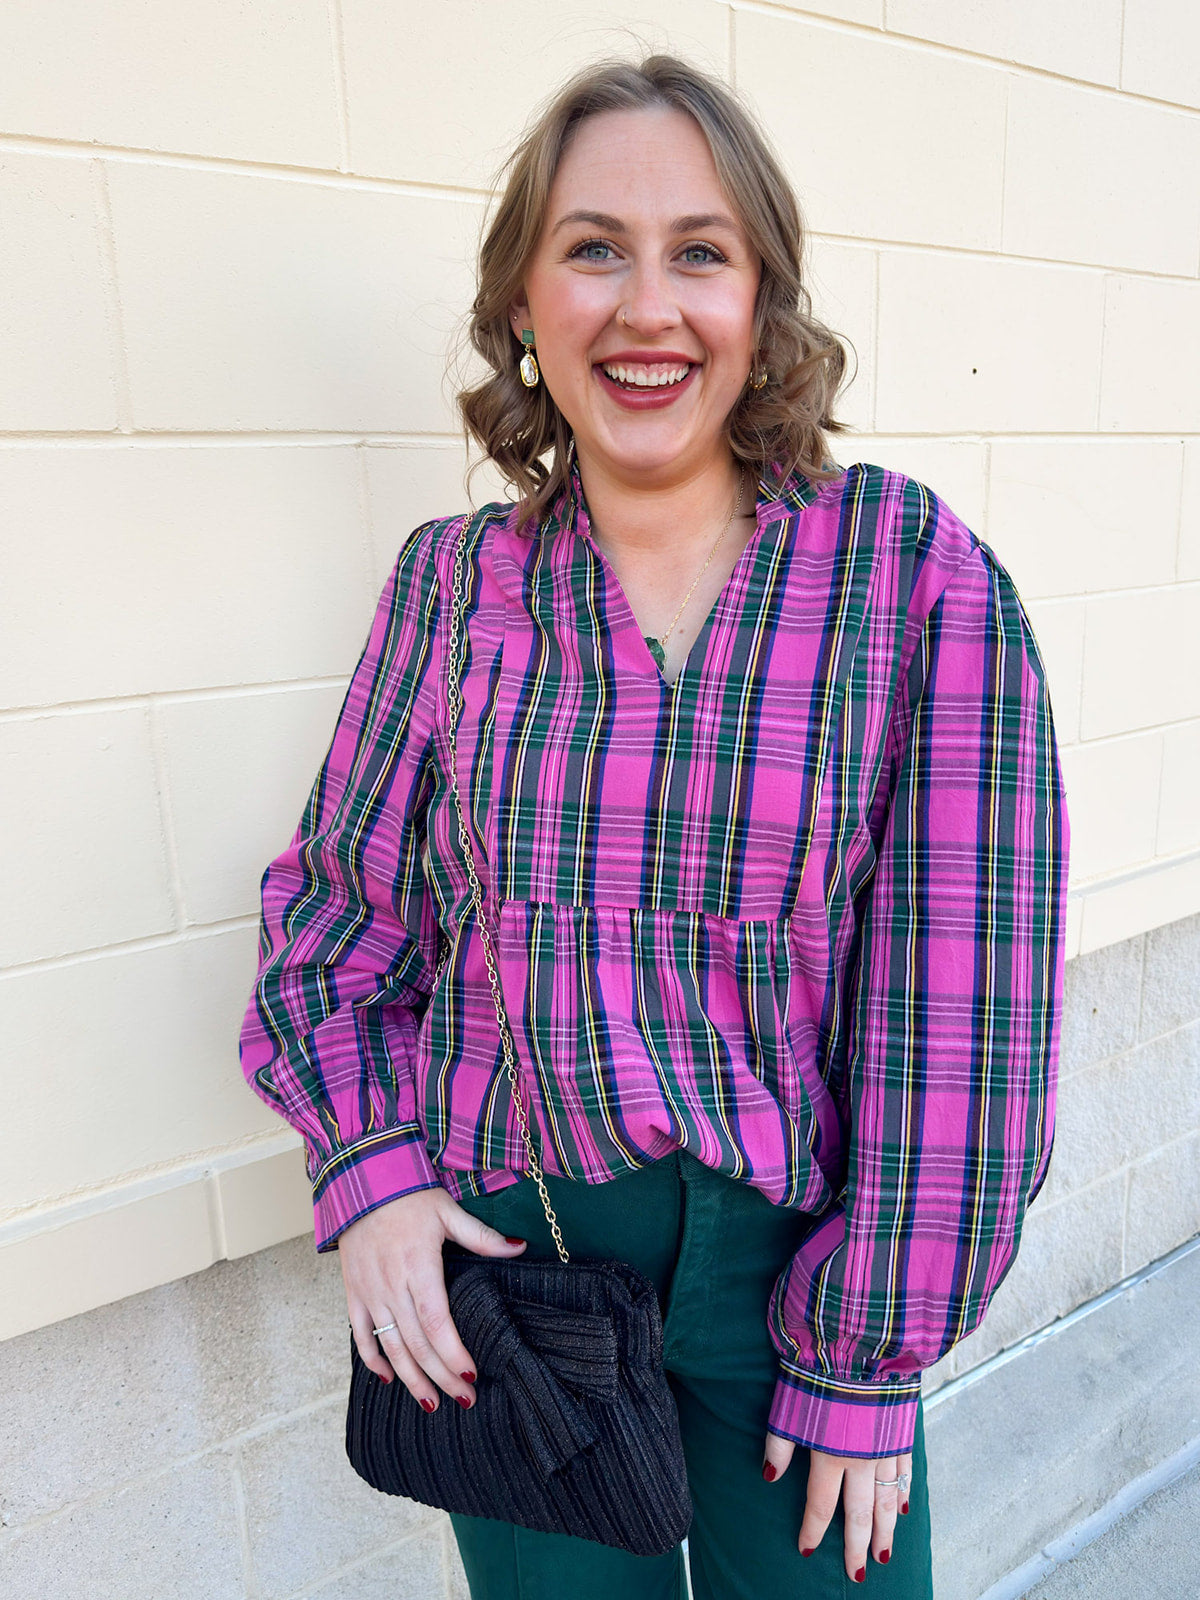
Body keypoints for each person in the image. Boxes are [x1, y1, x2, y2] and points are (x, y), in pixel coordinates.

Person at [239, 53, 1069, 1600]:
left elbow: (965, 999)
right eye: (592, 249)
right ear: (524, 304)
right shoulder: (449, 588)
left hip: (799, 1282)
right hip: (517, 1274)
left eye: (698, 252)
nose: (646, 308)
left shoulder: (911, 576)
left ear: (761, 302)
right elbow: (338, 922)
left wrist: (868, 1349)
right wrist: (372, 1179)